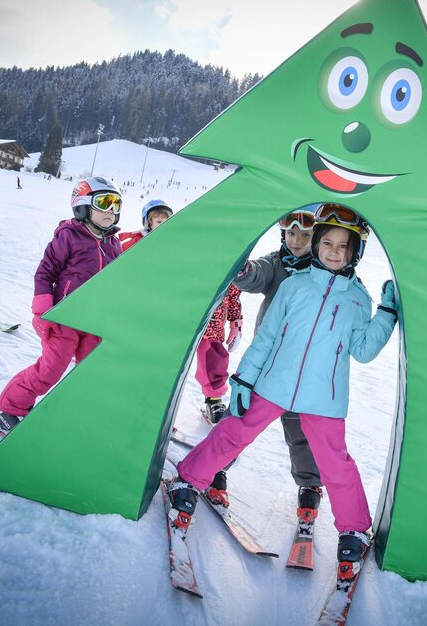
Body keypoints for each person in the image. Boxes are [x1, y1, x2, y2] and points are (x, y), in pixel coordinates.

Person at [169, 203, 399, 567]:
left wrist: (386, 314)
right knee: (233, 431)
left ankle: (354, 530)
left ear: (355, 252)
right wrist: (244, 378)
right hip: (274, 383)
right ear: (317, 244)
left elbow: (363, 350)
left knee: (336, 464)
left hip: (324, 398)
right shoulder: (294, 285)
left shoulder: (357, 299)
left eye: (343, 246)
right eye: (328, 243)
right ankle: (188, 480)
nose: (334, 252)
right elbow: (267, 338)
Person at [0, 176, 124, 433]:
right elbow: (45, 273)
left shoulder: (114, 244)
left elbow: (118, 283)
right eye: (104, 202)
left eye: (116, 204)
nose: (111, 210)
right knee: (50, 371)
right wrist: (43, 312)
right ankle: (7, 408)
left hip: (94, 322)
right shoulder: (69, 236)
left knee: (91, 372)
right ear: (82, 205)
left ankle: (79, 415)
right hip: (64, 318)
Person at [231, 208, 325, 519]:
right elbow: (254, 276)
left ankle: (310, 485)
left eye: (305, 235)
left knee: (302, 431)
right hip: (267, 364)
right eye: (291, 233)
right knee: (242, 419)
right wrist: (241, 269)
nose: (296, 241)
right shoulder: (275, 263)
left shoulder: (325, 270)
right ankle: (216, 466)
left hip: (303, 369)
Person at [197, 285, 243, 423]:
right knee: (169, 361)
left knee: (213, 361)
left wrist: (236, 323)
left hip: (212, 323)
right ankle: (157, 402)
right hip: (180, 315)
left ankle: (214, 401)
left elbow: (233, 292)